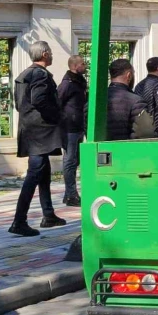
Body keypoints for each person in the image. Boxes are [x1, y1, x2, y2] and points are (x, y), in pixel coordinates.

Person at [9, 41, 66, 237]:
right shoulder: (40, 75)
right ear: (44, 54)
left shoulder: (23, 74)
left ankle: (48, 215)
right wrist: (55, 116)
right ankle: (19, 221)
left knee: (44, 173)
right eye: (50, 52)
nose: (51, 55)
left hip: (30, 128)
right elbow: (39, 99)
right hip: (41, 131)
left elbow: (18, 104)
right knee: (35, 173)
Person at [57, 55, 87, 207]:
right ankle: (71, 194)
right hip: (69, 128)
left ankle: (69, 193)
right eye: (83, 63)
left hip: (78, 127)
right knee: (69, 161)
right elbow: (58, 103)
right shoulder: (67, 84)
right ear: (75, 66)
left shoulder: (80, 83)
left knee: (76, 161)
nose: (85, 65)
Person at [107, 59, 149, 141]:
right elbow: (144, 136)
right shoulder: (137, 101)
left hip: (99, 152)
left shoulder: (93, 102)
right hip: (126, 152)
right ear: (129, 75)